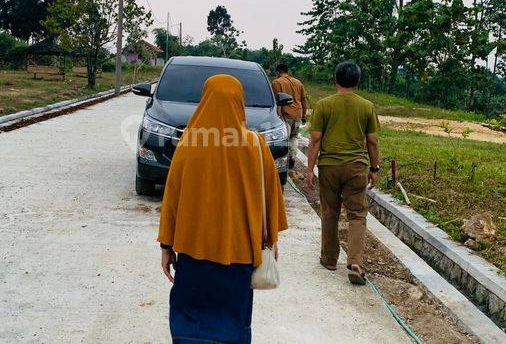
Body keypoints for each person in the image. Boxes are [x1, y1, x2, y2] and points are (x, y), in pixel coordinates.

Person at [158, 74, 288, 343]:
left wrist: (166, 246)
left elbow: (172, 200)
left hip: (194, 251)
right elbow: (270, 197)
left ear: (204, 101)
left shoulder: (190, 144)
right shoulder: (255, 146)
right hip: (239, 253)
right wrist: (271, 240)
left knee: (190, 317)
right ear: (240, 104)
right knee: (233, 318)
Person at [305, 61, 380, 285]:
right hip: (356, 167)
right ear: (357, 81)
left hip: (329, 166)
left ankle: (329, 259)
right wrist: (374, 168)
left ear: (335, 80)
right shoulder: (367, 106)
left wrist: (310, 170)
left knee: (330, 212)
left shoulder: (324, 105)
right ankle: (356, 263)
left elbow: (315, 139)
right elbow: (372, 141)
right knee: (357, 214)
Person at [271, 64, 308, 168]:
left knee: (284, 139)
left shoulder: (277, 82)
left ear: (278, 72)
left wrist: (277, 117)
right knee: (294, 137)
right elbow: (303, 100)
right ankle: (292, 157)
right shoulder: (298, 82)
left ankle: (282, 162)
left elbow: (276, 101)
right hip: (297, 114)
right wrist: (304, 115)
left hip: (285, 115)